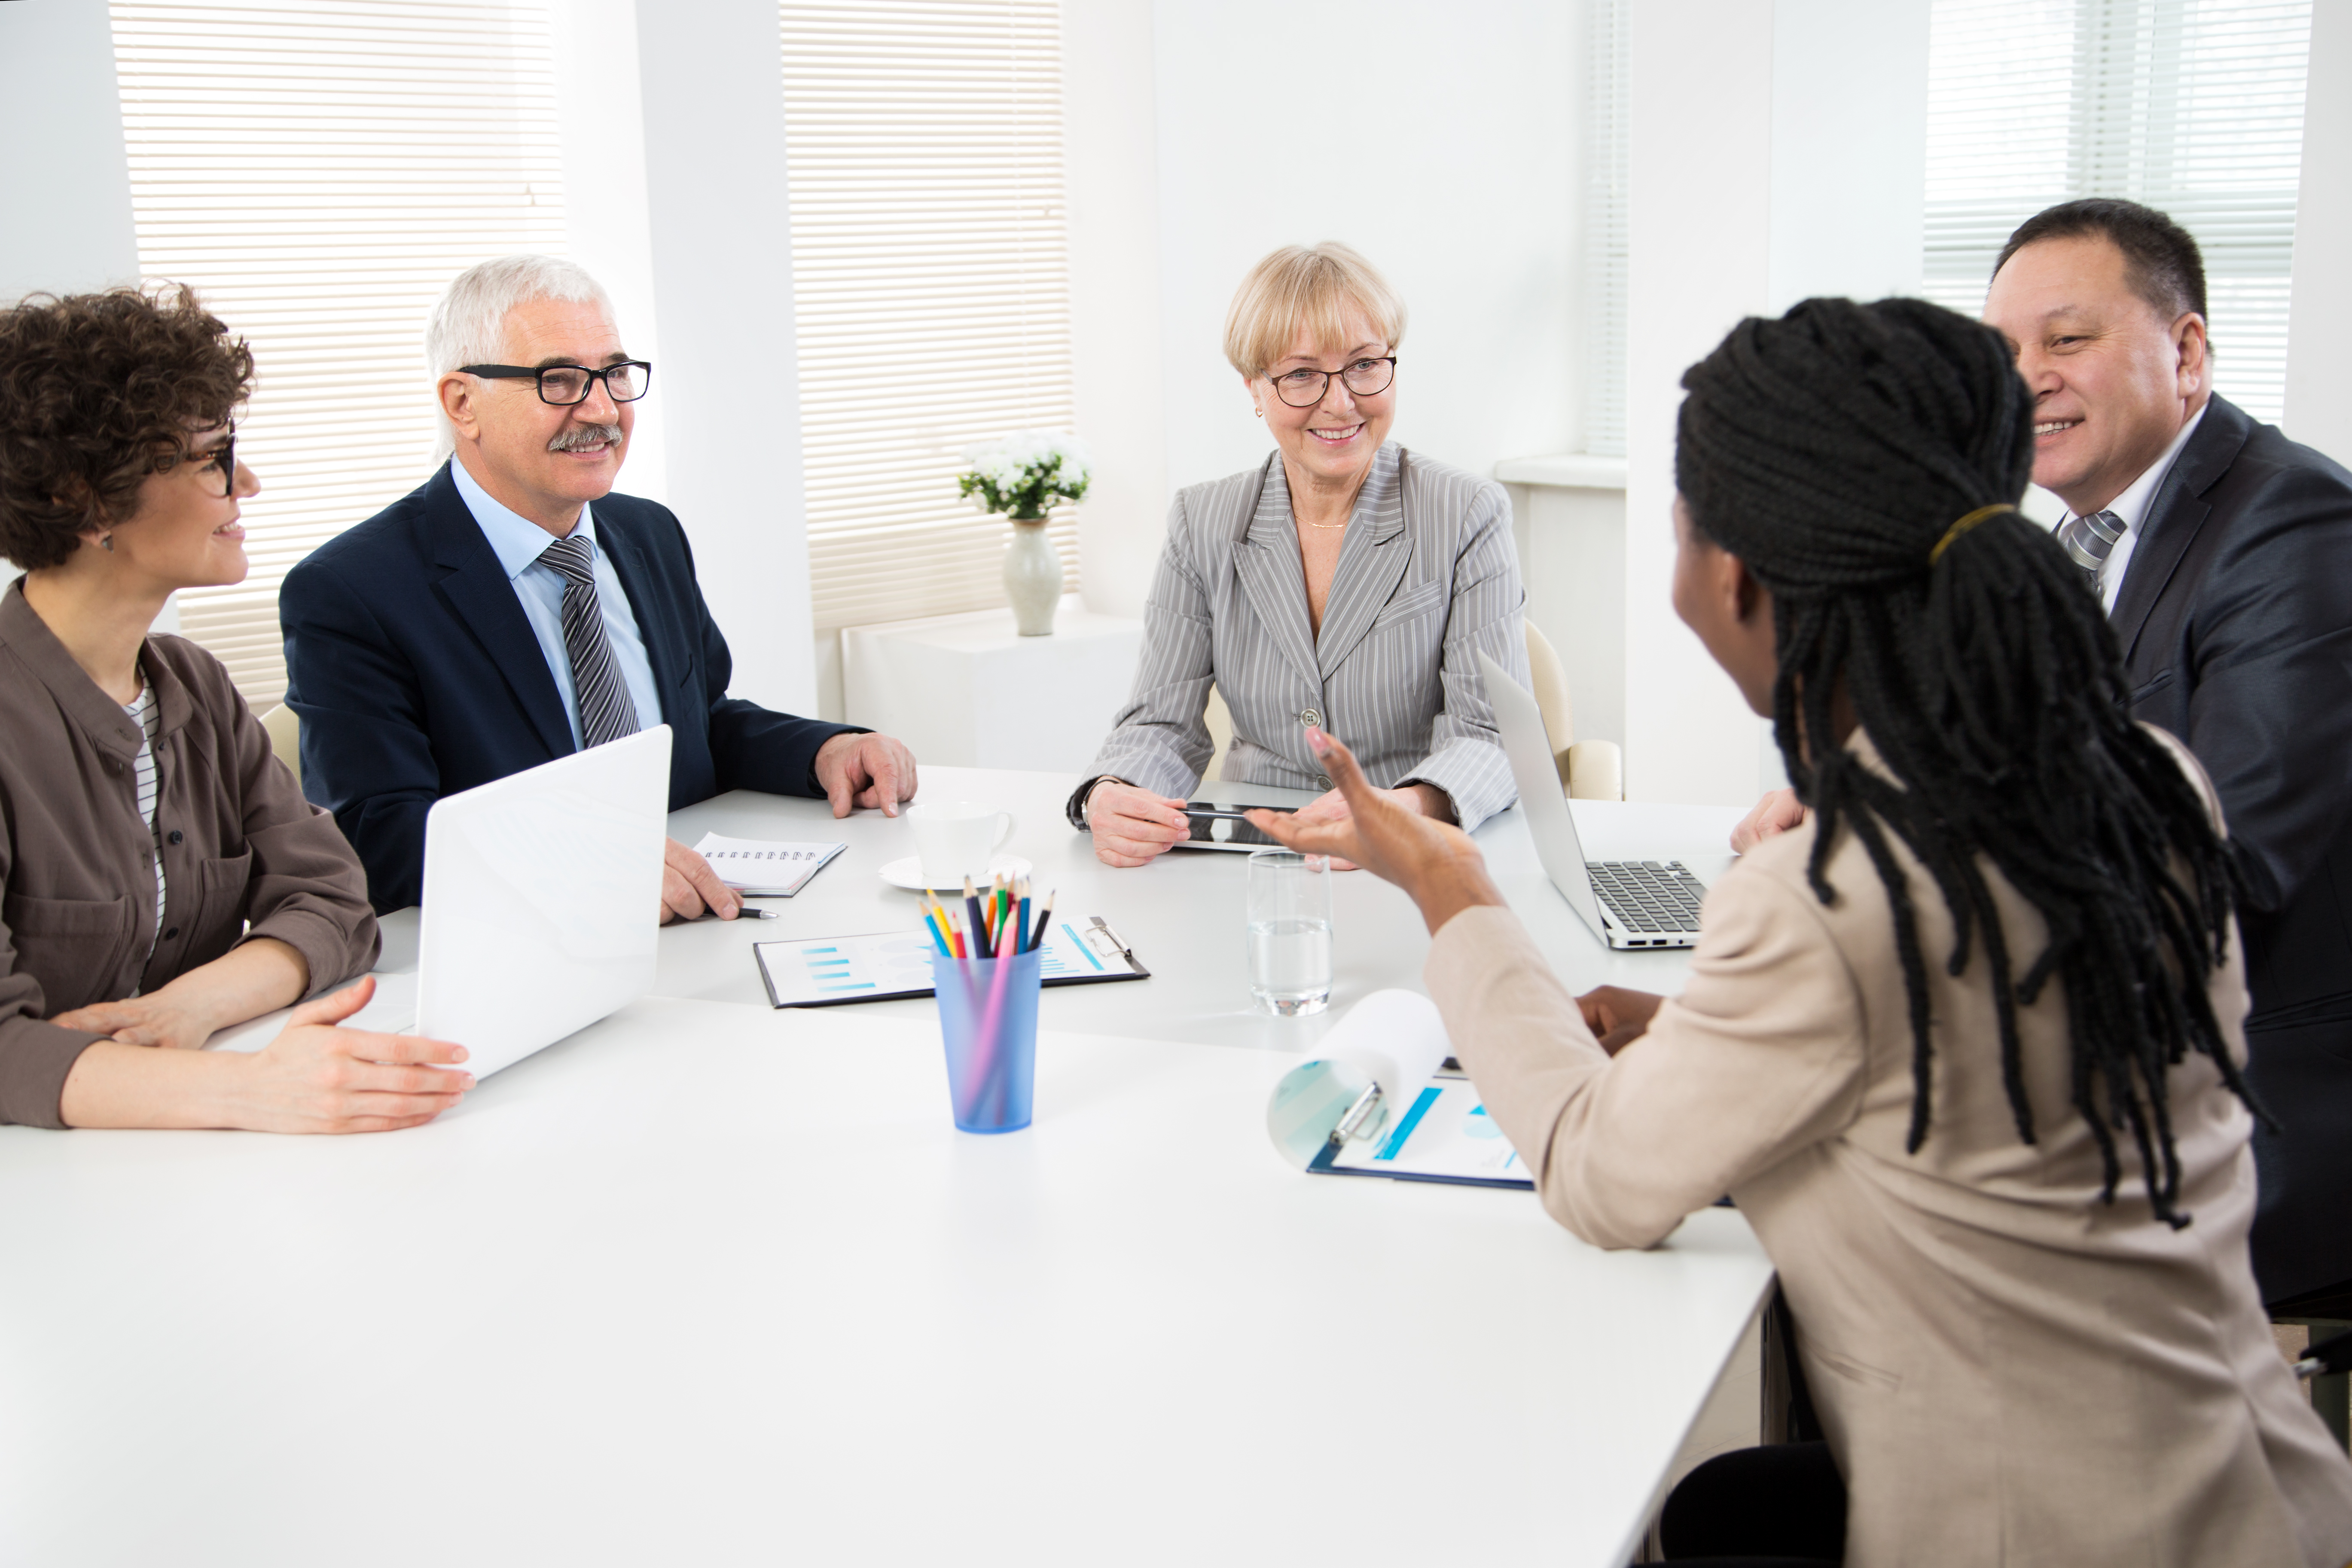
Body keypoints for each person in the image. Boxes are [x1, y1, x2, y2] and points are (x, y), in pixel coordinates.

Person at [1254, 296, 2352, 1566]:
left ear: (1730, 577)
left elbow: (1599, 1177)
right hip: (2257, 1495)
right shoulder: (2142, 781)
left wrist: (1450, 889)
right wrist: (1699, 1030)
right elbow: (1985, 1045)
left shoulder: (1835, 891)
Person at [1733, 199, 2352, 1316]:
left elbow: (2230, 860)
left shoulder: (2290, 522)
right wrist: (1847, 802)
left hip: (2256, 1102)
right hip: (2097, 1037)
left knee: (1856, 1201)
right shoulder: (2068, 544)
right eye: (2002, 353)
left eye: (2065, 341)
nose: (2027, 380)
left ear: (2188, 350)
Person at [280, 255, 918, 919]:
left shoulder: (648, 532)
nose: (602, 408)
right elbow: (381, 838)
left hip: (697, 919)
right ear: (462, 403)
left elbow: (700, 726)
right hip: (529, 952)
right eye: (558, 380)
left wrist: (824, 750)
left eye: (614, 374)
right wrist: (598, 861)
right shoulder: (351, 591)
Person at [0, 287, 471, 1133]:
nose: (246, 482)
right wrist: (254, 1090)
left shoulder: (195, 685)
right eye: (215, 458)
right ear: (87, 501)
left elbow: (333, 901)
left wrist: (187, 1008)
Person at [1068, 243, 1527, 866]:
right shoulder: (1202, 522)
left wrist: (1406, 807)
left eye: (1365, 364)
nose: (1340, 403)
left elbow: (1489, 735)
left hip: (1411, 857)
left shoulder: (1467, 512)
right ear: (1255, 388)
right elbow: (1161, 724)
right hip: (1254, 859)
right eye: (1302, 374)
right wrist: (1113, 792)